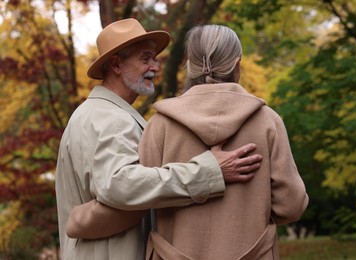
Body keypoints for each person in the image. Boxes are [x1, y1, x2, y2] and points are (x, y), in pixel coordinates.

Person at [65, 24, 307, 259]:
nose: (155, 67)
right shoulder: (267, 121)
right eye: (146, 58)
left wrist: (79, 221)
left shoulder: (160, 124)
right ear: (236, 65)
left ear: (190, 64)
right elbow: (291, 205)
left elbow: (144, 197)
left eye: (155, 58)